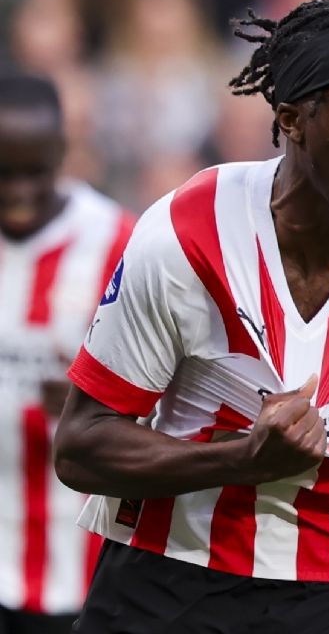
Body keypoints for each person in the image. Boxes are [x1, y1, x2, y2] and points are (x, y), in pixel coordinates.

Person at [52, 0, 329, 634]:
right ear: (291, 118)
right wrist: (244, 461)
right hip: (163, 577)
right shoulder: (188, 232)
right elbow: (81, 447)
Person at [0, 71, 133, 634]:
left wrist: (100, 403)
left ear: (62, 152)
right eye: (3, 173)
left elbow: (169, 393)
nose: (19, 191)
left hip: (83, 564)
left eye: (35, 171)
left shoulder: (119, 243)